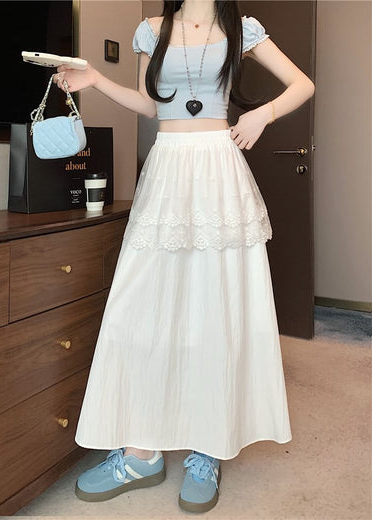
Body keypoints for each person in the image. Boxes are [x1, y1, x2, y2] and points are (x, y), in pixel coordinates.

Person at [54, 0, 315, 513]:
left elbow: (301, 84)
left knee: (215, 310)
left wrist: (261, 115)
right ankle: (142, 453)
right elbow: (151, 106)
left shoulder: (243, 29)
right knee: (141, 308)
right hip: (168, 168)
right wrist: (95, 81)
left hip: (219, 168)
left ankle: (207, 446)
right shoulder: (151, 30)